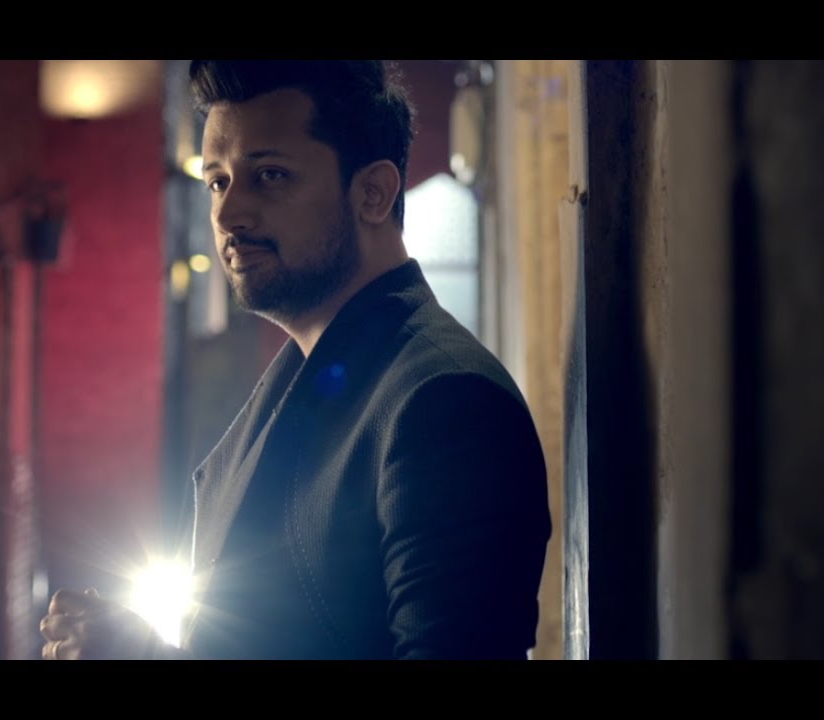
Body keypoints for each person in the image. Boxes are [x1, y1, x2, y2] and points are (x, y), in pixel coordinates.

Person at [40, 60, 550, 660]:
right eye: (217, 181)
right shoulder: (307, 381)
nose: (228, 214)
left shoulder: (447, 404)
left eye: (270, 175)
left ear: (373, 193)